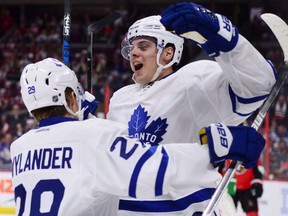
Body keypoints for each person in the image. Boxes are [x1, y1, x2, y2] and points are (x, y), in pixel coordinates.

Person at [10, 57, 265, 215]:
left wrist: (85, 120)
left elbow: (78, 166)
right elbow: (154, 169)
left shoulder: (20, 147)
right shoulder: (92, 136)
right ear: (70, 96)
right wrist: (217, 149)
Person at [107, 2, 277, 215]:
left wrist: (220, 33)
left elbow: (260, 84)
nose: (133, 53)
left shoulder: (192, 81)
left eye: (143, 46)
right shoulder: (120, 98)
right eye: (131, 48)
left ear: (167, 53)